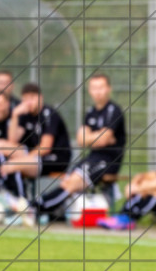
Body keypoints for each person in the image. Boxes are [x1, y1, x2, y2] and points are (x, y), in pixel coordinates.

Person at [27, 73, 124, 223]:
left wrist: (95, 137)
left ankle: (36, 207)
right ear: (90, 90)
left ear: (108, 89)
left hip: (109, 161)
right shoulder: (91, 112)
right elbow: (81, 139)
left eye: (101, 87)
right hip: (92, 158)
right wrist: (98, 137)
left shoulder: (114, 111)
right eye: (94, 88)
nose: (98, 92)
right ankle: (41, 208)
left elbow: (103, 139)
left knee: (72, 184)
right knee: (68, 181)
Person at [0, 84, 72, 200]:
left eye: (31, 98)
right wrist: (15, 115)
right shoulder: (25, 115)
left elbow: (45, 147)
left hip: (56, 158)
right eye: (25, 99)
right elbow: (12, 142)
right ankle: (5, 196)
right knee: (0, 147)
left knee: (11, 165)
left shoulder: (49, 114)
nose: (28, 102)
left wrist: (22, 160)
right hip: (35, 156)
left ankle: (21, 200)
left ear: (40, 98)